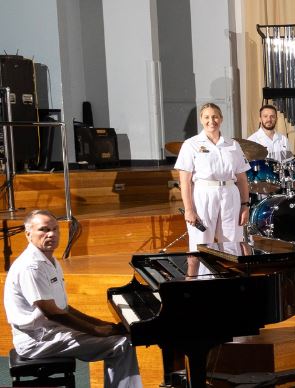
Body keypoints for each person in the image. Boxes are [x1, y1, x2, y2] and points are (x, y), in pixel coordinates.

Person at [5, 210, 142, 388]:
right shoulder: (32, 266)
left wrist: (102, 324)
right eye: (44, 230)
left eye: (55, 229)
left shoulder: (50, 260)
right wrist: (97, 330)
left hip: (51, 331)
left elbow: (63, 308)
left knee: (120, 336)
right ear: (28, 233)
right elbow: (52, 314)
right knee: (123, 344)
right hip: (37, 340)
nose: (51, 234)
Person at [175, 103, 251, 253]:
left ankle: (233, 275)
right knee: (201, 243)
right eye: (207, 117)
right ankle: (202, 276)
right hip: (204, 194)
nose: (211, 121)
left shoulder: (233, 145)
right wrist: (189, 210)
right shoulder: (190, 144)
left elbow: (242, 179)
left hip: (230, 194)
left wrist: (245, 205)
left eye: (215, 116)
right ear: (201, 120)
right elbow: (185, 182)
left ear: (221, 119)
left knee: (232, 241)